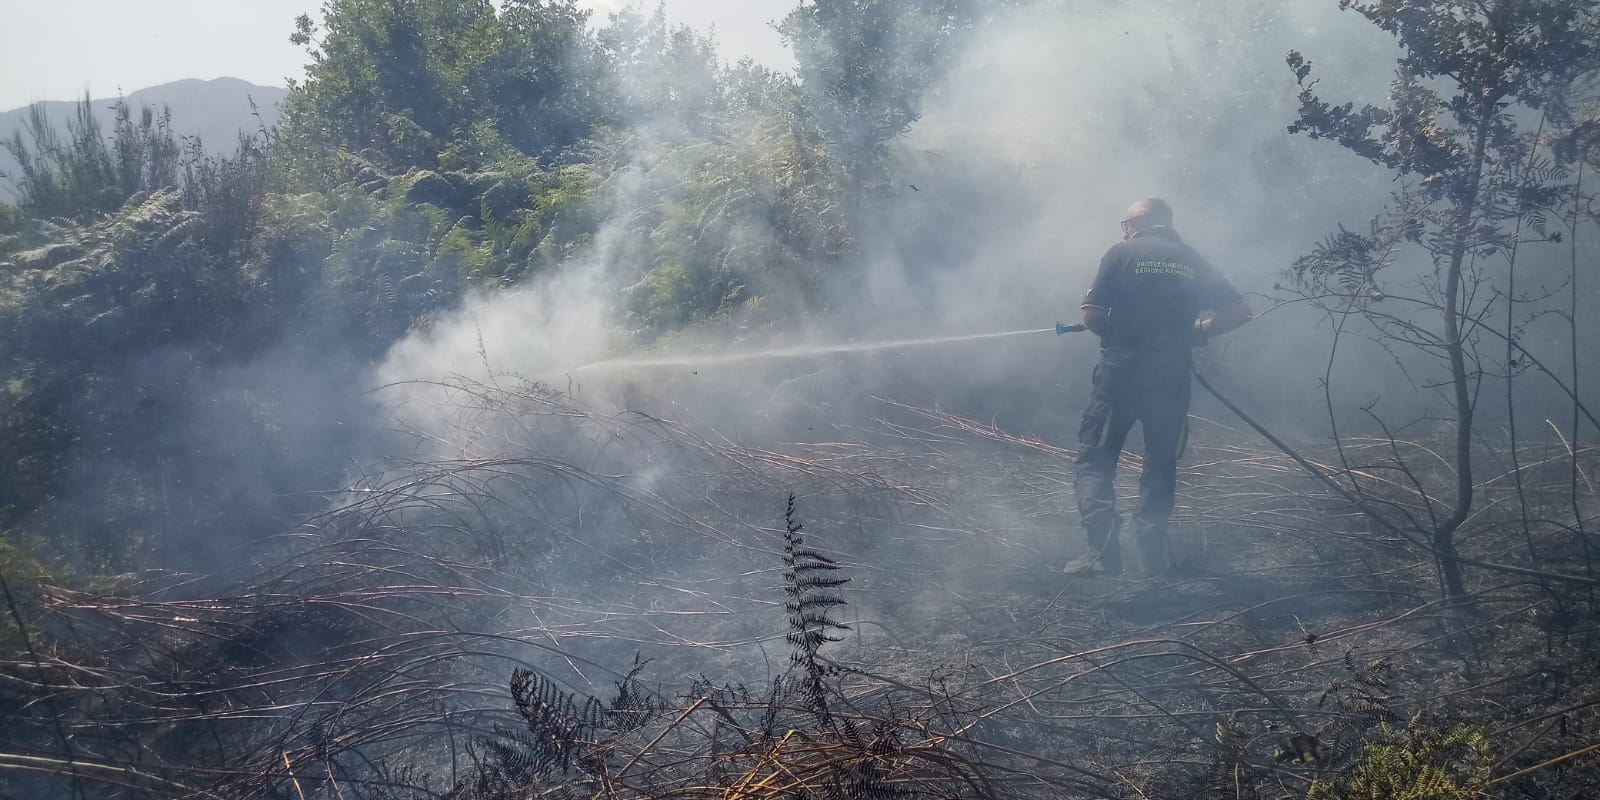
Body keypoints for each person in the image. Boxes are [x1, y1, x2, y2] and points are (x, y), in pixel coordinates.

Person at [1065, 197, 1251, 577]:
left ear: (1144, 219)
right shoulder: (1193, 259)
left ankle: (1101, 552)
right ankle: (1151, 556)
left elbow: (1093, 316)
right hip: (1170, 377)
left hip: (1120, 375)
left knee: (1096, 459)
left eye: (1126, 222)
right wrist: (1195, 332)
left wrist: (1128, 338)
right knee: (1160, 462)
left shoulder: (1121, 253)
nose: (1124, 229)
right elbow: (1239, 312)